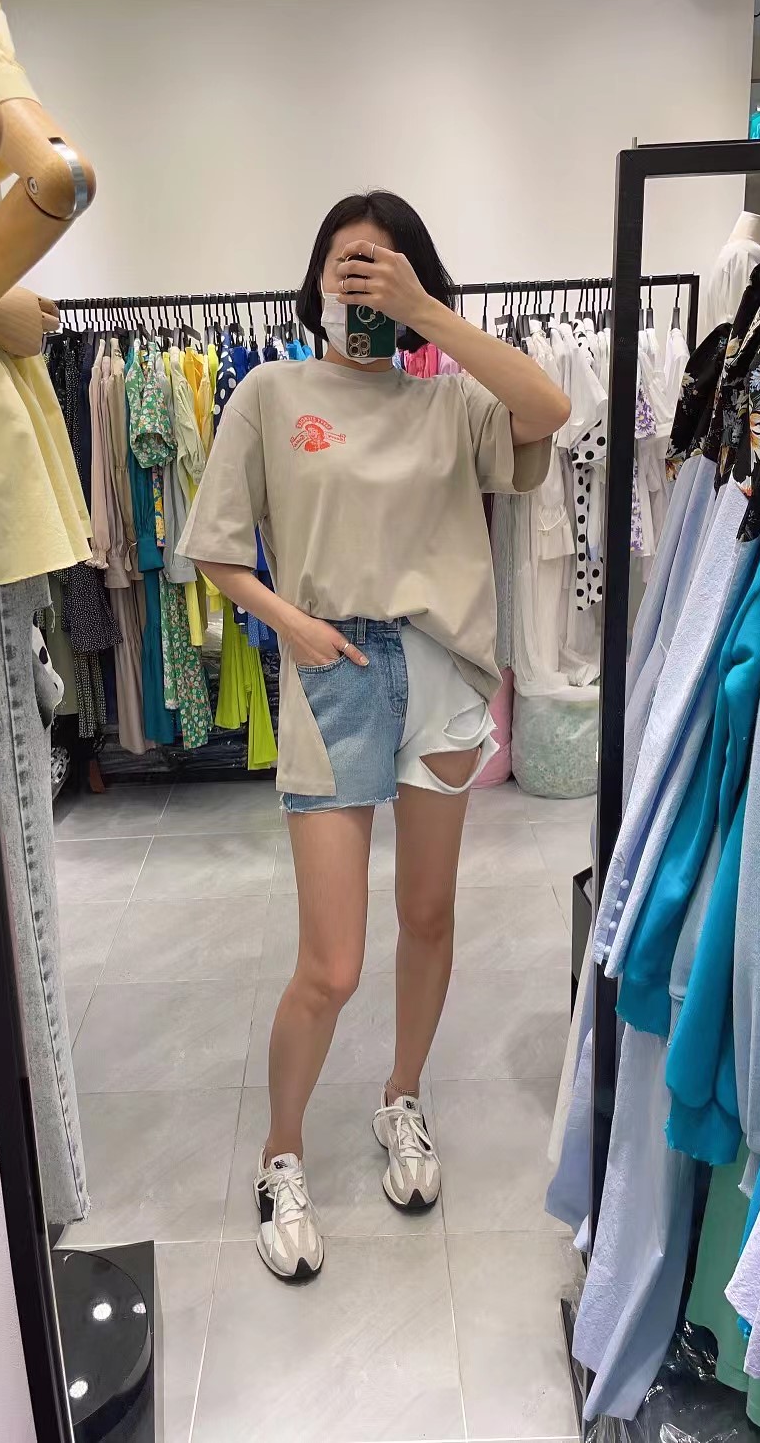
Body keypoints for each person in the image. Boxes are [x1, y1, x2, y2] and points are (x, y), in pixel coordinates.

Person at [179, 190, 570, 1281]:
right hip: (335, 671)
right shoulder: (269, 392)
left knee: (430, 913)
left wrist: (427, 314)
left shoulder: (451, 403)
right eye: (347, 265)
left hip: (442, 669)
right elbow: (215, 548)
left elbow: (548, 409)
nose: (362, 282)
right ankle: (281, 1153)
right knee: (333, 962)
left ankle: (403, 1097)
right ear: (314, 279)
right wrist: (293, 625)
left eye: (384, 268)